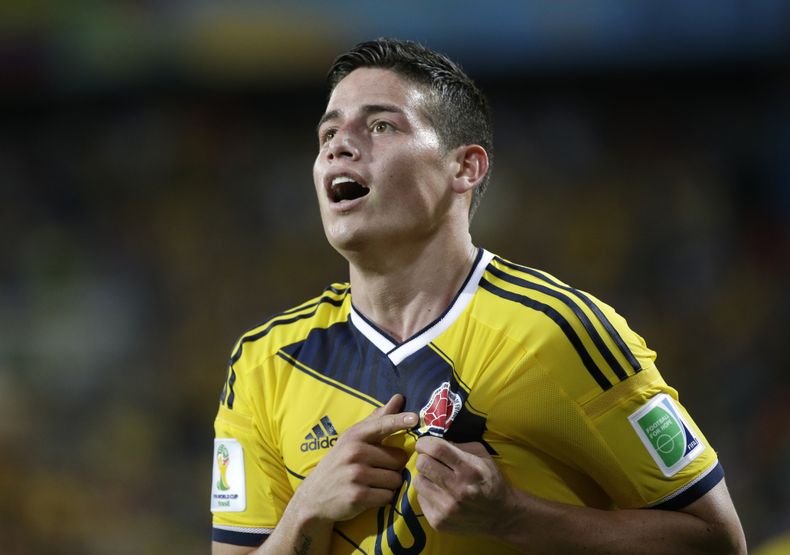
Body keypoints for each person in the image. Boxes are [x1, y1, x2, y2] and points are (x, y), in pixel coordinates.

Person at [210, 38, 746, 554]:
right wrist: (307, 511)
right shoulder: (262, 363)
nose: (338, 146)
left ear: (465, 168)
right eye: (328, 133)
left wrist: (513, 516)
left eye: (380, 125)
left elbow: (719, 542)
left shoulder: (559, 331)